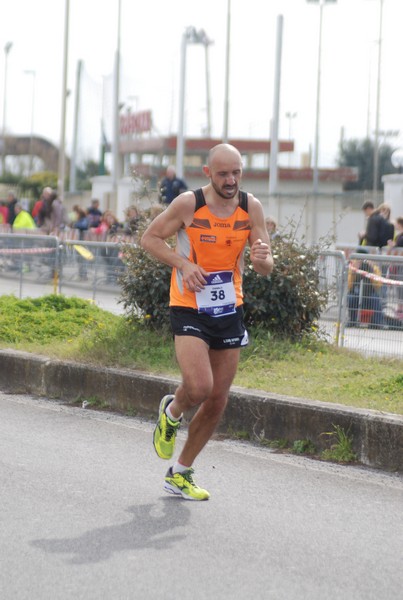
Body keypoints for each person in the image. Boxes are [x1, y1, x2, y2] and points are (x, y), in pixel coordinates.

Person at [141, 143, 273, 501]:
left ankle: (180, 472)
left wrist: (263, 257)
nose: (230, 181)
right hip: (188, 304)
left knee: (217, 400)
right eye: (223, 174)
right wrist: (183, 264)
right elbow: (149, 238)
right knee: (198, 387)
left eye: (236, 173)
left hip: (229, 308)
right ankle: (173, 410)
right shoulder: (189, 203)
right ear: (208, 173)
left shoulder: (250, 207)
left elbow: (264, 265)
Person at [347, 248, 385, 327]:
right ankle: (352, 321)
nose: (361, 262)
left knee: (375, 299)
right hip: (356, 293)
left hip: (370, 293)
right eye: (359, 259)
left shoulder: (373, 267)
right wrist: (354, 272)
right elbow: (349, 285)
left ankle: (377, 323)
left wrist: (372, 271)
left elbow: (378, 285)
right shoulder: (352, 267)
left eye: (363, 259)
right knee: (350, 297)